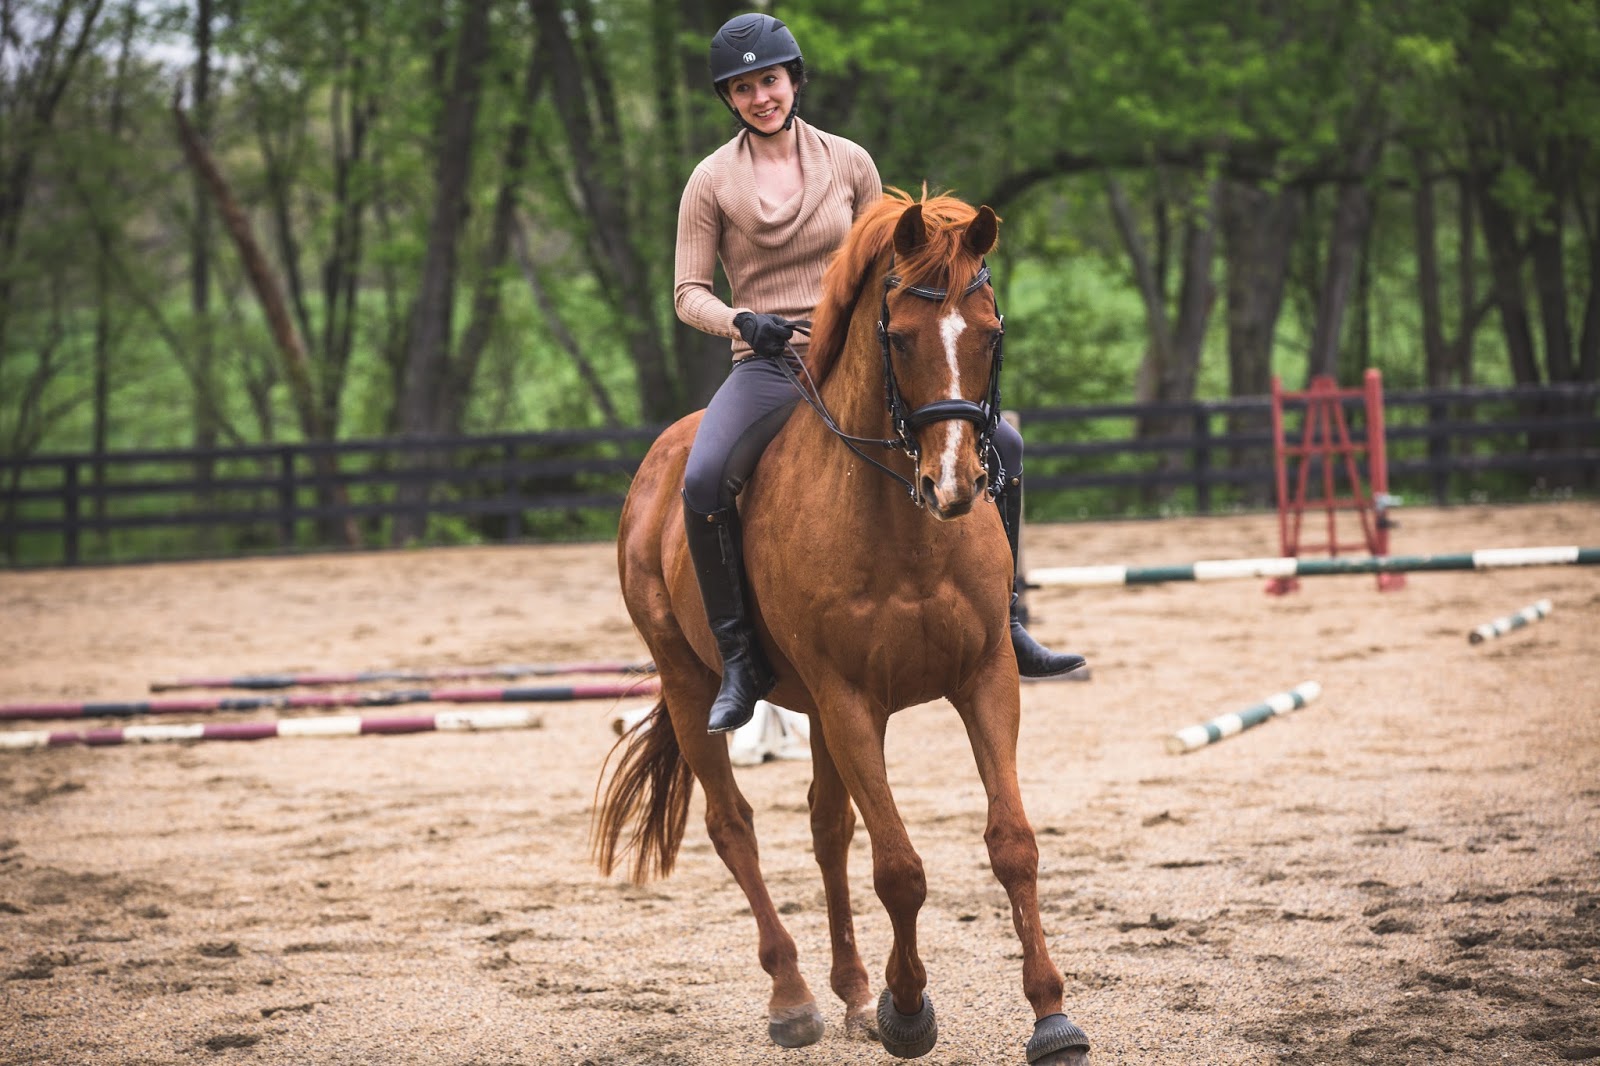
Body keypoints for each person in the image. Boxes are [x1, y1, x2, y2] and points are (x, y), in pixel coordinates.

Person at [675, 12, 1085, 736]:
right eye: (743, 89)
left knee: (1009, 447)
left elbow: (893, 264)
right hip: (768, 365)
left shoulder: (850, 162)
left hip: (857, 357)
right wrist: (742, 321)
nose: (761, 97)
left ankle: (1010, 620)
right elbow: (687, 294)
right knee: (704, 477)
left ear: (793, 80)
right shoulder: (709, 181)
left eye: (769, 80)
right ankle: (739, 658)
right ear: (729, 100)